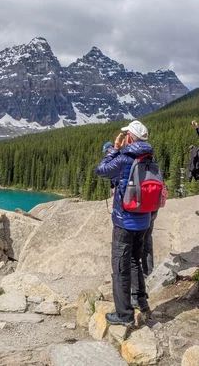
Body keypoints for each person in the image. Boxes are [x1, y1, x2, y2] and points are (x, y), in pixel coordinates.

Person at [96, 120, 154, 326]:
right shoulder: (150, 158)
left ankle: (124, 315)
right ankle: (140, 300)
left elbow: (101, 171)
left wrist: (114, 150)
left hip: (125, 222)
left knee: (120, 267)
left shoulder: (123, 159)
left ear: (129, 136)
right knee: (134, 261)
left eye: (126, 135)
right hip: (144, 221)